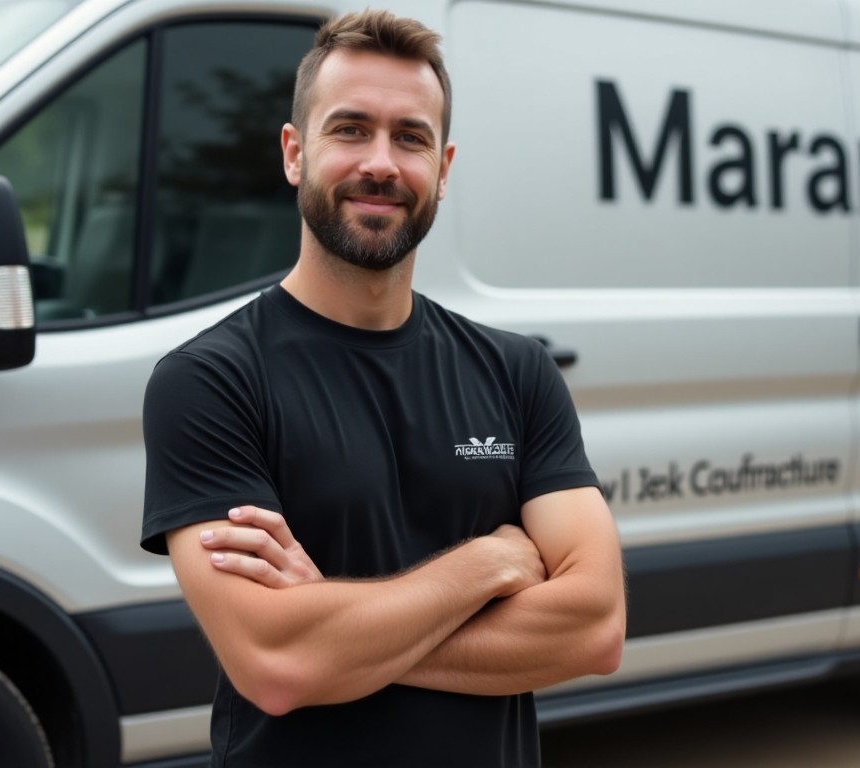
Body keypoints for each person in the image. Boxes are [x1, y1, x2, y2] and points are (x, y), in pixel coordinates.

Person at [138, 9, 626, 767]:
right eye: (350, 129)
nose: (381, 163)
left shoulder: (516, 372)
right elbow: (277, 665)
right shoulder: (210, 382)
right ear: (295, 153)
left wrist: (335, 621)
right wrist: (486, 566)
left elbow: (594, 629)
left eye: (410, 137)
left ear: (444, 166)